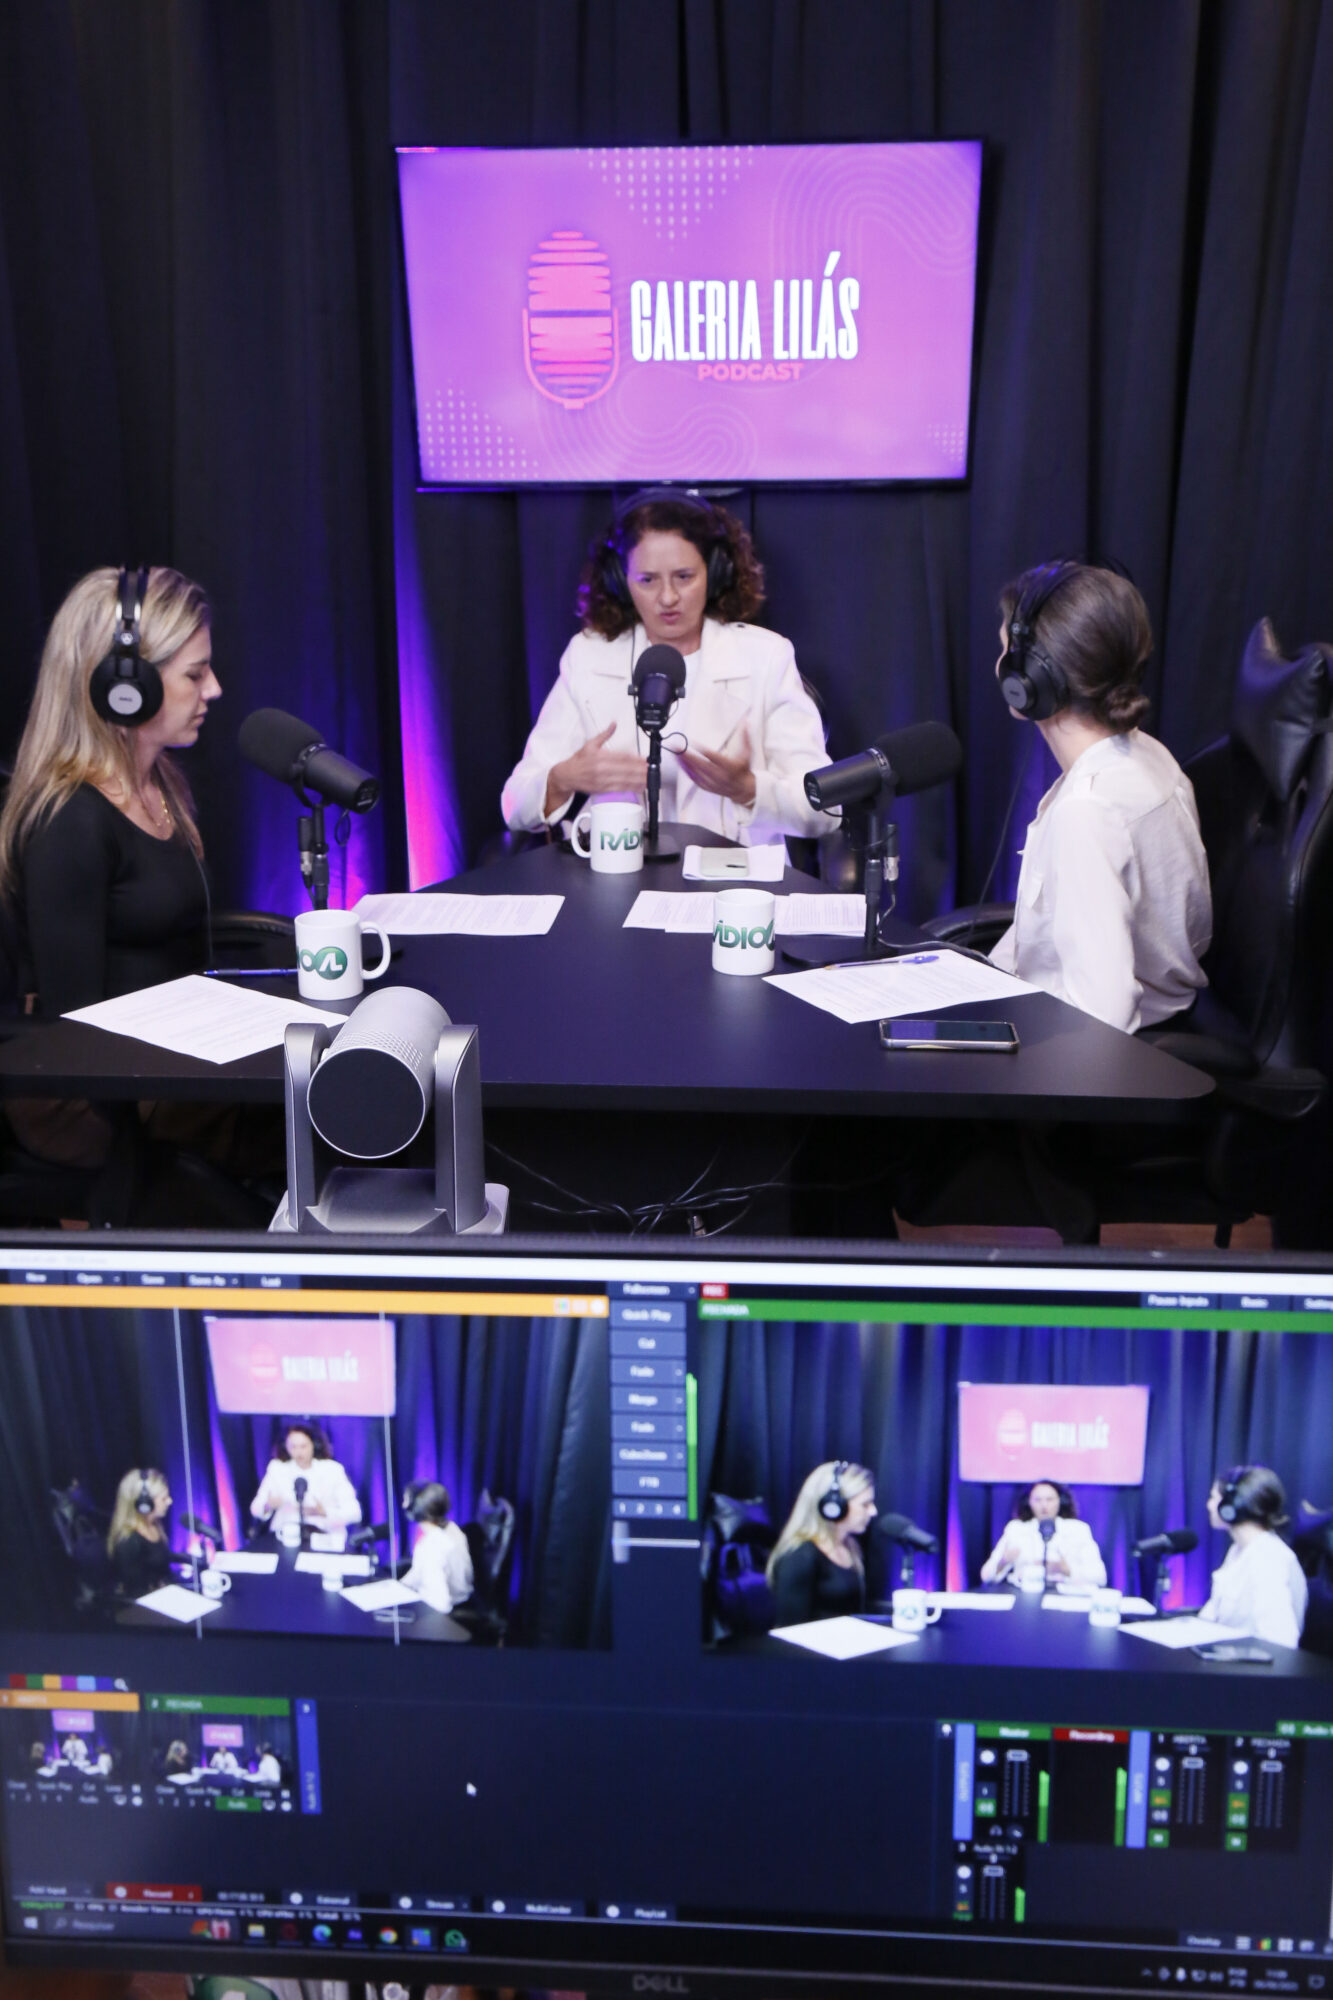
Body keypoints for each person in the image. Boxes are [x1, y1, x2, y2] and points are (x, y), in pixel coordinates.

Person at [0, 566, 221, 1166]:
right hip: (98, 1097)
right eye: (195, 674)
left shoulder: (163, 786)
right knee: (316, 1119)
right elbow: (78, 1035)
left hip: (171, 1062)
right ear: (126, 685)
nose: (214, 689)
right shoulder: (71, 821)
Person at [500, 491, 829, 848]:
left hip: (734, 875)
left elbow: (825, 810)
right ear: (620, 581)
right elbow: (515, 804)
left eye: (684, 577)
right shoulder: (589, 656)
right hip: (619, 873)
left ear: (715, 573)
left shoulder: (765, 656)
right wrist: (563, 779)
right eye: (648, 580)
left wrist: (748, 790)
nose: (668, 597)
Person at [988, 562, 1211, 1034]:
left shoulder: (1086, 813)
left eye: (1006, 650)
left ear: (1028, 680)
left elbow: (1104, 1019)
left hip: (1076, 1048)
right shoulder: (1147, 755)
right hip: (1157, 1018)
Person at [1202, 1465, 1307, 1650]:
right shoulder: (1239, 1550)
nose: (1209, 1505)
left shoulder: (1268, 1559)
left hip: (1248, 1664)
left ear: (1229, 1507)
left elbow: (1280, 1641)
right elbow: (1214, 1615)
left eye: (1213, 1498)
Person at [765, 1461, 878, 1624]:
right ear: (834, 1506)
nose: (873, 1511)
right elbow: (789, 1630)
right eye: (865, 1504)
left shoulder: (851, 1546)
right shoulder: (800, 1557)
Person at [980, 1479, 1107, 1590]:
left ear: (1061, 1501)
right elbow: (985, 1576)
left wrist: (1065, 1570)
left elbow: (1100, 1577)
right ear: (1028, 1502)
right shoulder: (1016, 1528)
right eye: (1038, 1500)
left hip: (1065, 1596)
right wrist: (1003, 1562)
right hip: (1025, 1594)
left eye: (1049, 1499)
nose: (1044, 1505)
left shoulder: (1078, 1530)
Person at [250, 1423, 362, 1544]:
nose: (298, 1452)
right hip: (285, 1537)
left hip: (324, 1538)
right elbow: (256, 1508)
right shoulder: (277, 1469)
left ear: (315, 1445)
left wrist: (324, 1512)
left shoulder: (333, 1470)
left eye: (303, 1446)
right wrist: (268, 1505)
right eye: (293, 1447)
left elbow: (354, 1513)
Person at [401, 1482, 475, 1615]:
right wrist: (400, 1586)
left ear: (416, 1508)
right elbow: (419, 1572)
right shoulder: (452, 1529)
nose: (403, 1505)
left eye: (405, 1500)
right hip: (465, 1598)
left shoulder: (430, 1547)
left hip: (449, 1612)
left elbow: (441, 1604)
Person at [107, 1467, 176, 1597]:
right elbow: (135, 1591)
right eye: (164, 1498)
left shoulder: (156, 1526)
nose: (169, 1501)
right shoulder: (129, 1542)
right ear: (144, 1503)